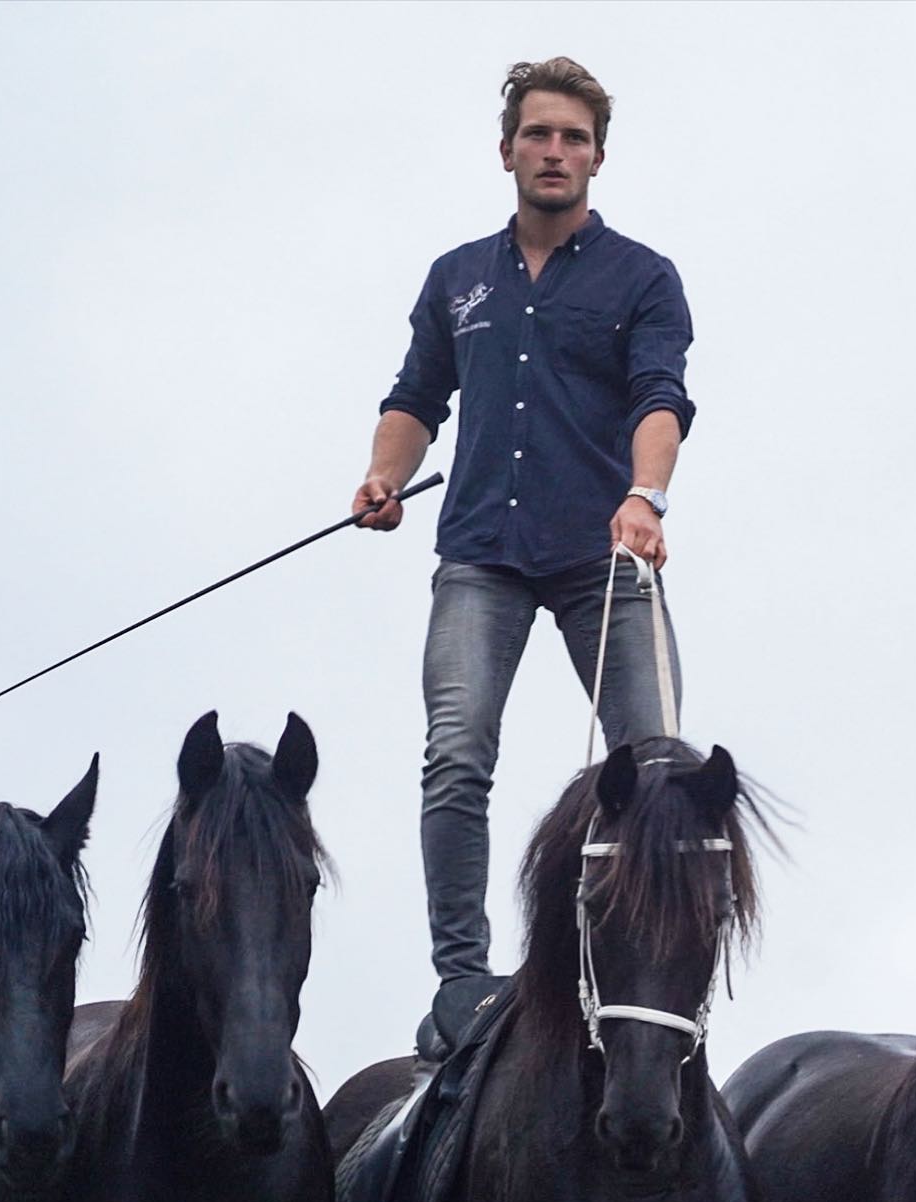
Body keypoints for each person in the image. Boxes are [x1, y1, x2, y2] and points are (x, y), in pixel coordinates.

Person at [354, 56, 696, 1053]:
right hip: (480, 553)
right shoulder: (458, 278)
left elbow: (659, 396)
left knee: (661, 775)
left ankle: (645, 983)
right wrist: (383, 474)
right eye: (539, 135)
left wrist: (644, 496)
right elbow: (417, 397)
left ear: (597, 157)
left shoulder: (641, 277)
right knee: (454, 758)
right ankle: (462, 979)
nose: (555, 152)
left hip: (604, 555)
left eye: (574, 138)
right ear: (507, 150)